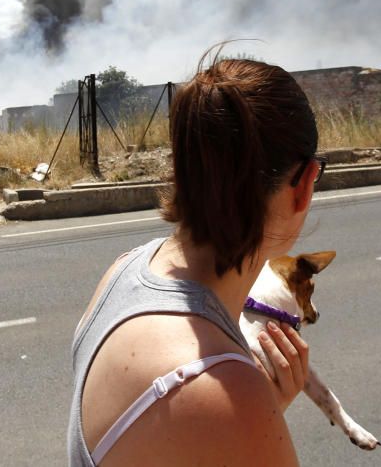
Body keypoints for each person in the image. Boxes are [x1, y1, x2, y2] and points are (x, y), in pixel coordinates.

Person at [68, 51, 322, 466]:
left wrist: (253, 417)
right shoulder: (221, 388)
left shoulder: (124, 269)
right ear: (304, 185)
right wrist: (254, 414)